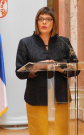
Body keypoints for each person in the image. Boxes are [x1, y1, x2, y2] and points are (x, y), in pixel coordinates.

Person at [15, 7, 78, 135]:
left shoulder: (64, 42)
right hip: (37, 96)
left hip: (61, 96)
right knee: (39, 131)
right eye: (41, 19)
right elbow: (19, 72)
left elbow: (76, 68)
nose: (44, 22)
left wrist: (61, 69)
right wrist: (38, 67)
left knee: (62, 131)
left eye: (48, 19)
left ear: (53, 22)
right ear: (36, 22)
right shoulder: (26, 43)